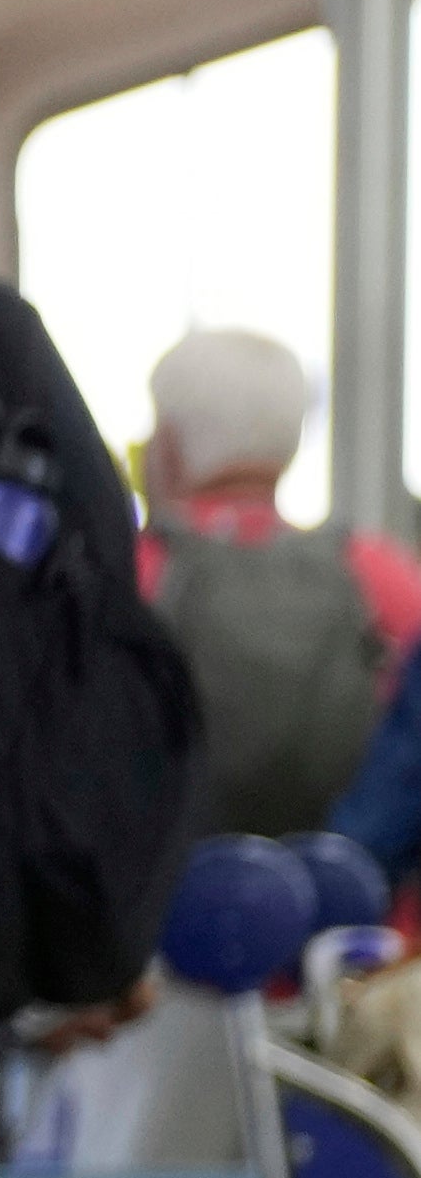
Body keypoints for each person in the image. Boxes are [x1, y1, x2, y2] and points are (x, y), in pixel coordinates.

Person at [130, 326, 417, 835]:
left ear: (168, 446)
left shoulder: (133, 571)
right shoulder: (378, 573)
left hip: (175, 896)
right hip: (346, 891)